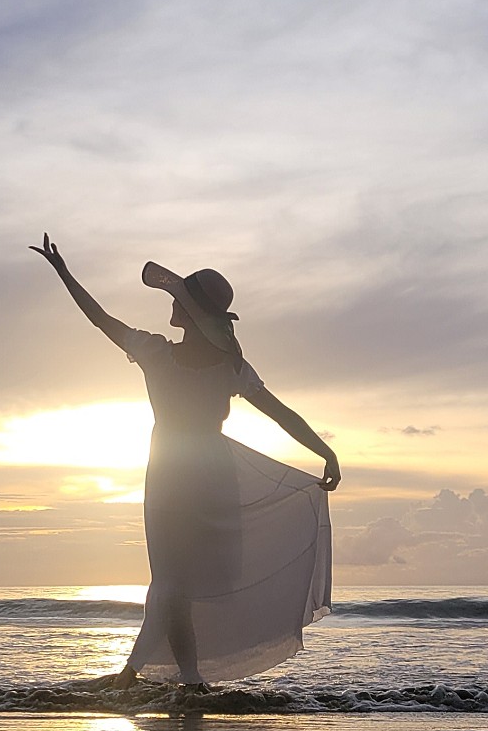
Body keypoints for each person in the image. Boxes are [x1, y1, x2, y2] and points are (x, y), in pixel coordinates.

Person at [30, 234, 339, 697]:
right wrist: (325, 452)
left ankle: (140, 674)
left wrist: (63, 274)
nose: (171, 305)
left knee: (173, 580)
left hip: (172, 471)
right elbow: (282, 413)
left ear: (190, 313)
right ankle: (185, 679)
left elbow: (101, 321)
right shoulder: (227, 366)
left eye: (179, 300)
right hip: (215, 471)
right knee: (181, 582)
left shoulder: (158, 353)